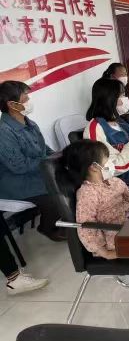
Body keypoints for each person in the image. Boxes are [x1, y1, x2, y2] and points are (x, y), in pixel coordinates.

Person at [0, 81, 64, 241]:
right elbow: (19, 166)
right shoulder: (4, 132)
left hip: (36, 172)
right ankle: (48, 228)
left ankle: (65, 221)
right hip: (14, 181)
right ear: (11, 104)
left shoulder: (30, 123)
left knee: (69, 179)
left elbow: (44, 149)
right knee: (54, 193)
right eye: (25, 97)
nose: (29, 100)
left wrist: (58, 155)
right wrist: (50, 160)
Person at [62, 140, 129, 260]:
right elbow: (86, 227)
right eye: (107, 160)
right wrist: (105, 253)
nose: (111, 163)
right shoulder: (87, 193)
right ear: (94, 167)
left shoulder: (114, 181)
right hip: (117, 234)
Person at [84, 78, 129, 182]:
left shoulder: (123, 122)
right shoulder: (95, 128)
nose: (125, 100)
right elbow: (106, 169)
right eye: (121, 96)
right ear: (109, 99)